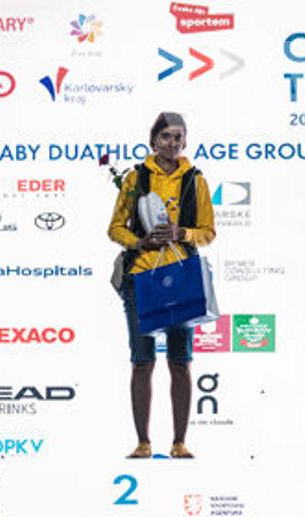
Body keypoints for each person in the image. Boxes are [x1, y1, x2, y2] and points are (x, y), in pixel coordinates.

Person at [108, 112, 216, 458]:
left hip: (181, 277)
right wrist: (141, 242)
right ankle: (143, 443)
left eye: (178, 137)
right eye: (166, 136)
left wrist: (181, 233)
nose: (172, 143)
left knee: (180, 362)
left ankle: (179, 443)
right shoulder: (135, 178)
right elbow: (115, 228)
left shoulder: (195, 180)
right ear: (153, 140)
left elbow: (208, 232)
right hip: (141, 277)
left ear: (185, 141)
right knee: (142, 361)